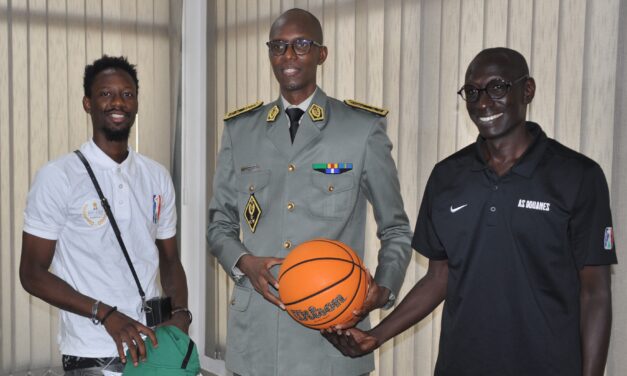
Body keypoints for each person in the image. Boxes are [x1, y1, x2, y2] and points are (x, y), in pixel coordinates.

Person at [323, 47, 617, 376]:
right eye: (473, 92)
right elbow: (439, 277)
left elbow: (595, 293)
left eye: (498, 87)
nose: (483, 103)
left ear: (528, 90)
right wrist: (374, 336)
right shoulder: (447, 176)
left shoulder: (577, 176)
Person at [206, 8, 412, 376]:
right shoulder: (241, 130)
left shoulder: (361, 129)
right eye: (278, 46)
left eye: (301, 45)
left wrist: (383, 288)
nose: (288, 56)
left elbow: (395, 229)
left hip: (332, 339)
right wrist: (244, 263)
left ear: (322, 54)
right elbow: (219, 224)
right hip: (257, 343)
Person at [20, 55, 192, 375]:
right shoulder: (58, 176)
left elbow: (169, 259)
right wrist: (105, 313)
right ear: (88, 103)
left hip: (155, 349)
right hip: (92, 352)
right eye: (106, 93)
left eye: (127, 94)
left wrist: (181, 311)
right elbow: (31, 272)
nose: (118, 102)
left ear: (137, 103)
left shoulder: (156, 176)